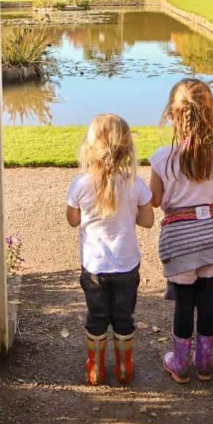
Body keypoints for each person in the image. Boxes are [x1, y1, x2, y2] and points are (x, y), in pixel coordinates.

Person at [149, 78, 213, 383]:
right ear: (211, 112)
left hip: (179, 237)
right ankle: (204, 362)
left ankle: (180, 362)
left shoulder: (162, 158)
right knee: (209, 298)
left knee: (184, 302)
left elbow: (157, 200)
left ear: (173, 115)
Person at [66, 114, 154, 386]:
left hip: (94, 265)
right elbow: (148, 221)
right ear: (127, 147)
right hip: (126, 265)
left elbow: (73, 220)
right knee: (123, 315)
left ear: (90, 148)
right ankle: (124, 366)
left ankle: (95, 367)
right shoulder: (135, 184)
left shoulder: (80, 185)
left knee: (97, 315)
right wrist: (129, 214)